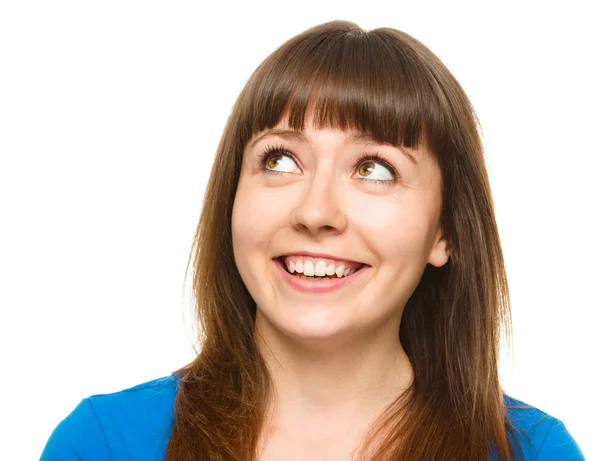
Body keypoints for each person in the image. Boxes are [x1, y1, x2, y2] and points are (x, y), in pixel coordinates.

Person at [39, 20, 585, 461]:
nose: (315, 211)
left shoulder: (535, 453)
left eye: (374, 169)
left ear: (445, 231)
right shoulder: (101, 445)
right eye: (279, 160)